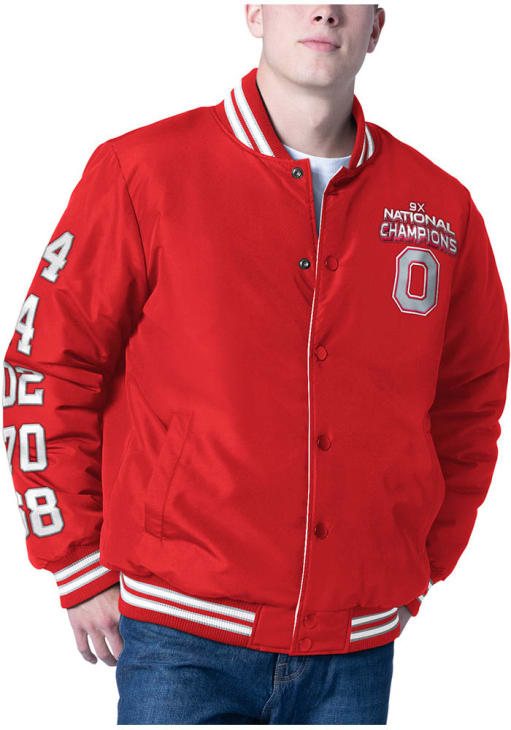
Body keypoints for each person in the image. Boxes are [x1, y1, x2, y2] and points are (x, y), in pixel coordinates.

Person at [2, 3, 509, 725]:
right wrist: (74, 559)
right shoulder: (142, 172)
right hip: (181, 634)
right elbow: (47, 364)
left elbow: (470, 402)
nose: (324, 11)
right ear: (254, 13)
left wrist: (418, 563)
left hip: (354, 649)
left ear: (376, 26)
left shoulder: (440, 207)